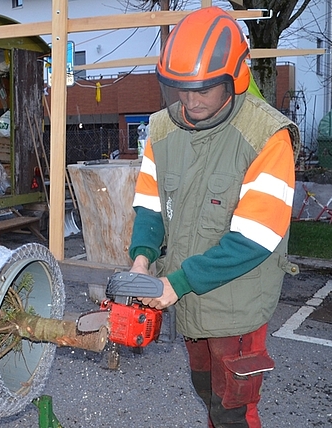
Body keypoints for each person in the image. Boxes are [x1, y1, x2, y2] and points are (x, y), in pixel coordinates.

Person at [128, 7, 299, 427]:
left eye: (204, 89)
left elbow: (255, 238)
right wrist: (141, 259)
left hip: (236, 308)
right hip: (187, 303)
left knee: (235, 412)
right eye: (181, 89)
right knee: (206, 395)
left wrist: (175, 283)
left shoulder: (267, 138)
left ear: (236, 77)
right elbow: (150, 205)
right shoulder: (162, 130)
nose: (190, 100)